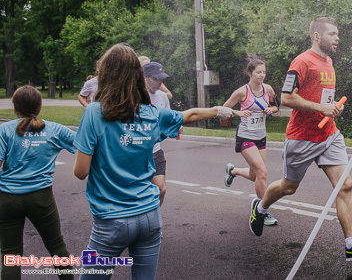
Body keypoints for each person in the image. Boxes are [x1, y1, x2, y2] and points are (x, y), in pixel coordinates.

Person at [73, 43, 233, 279]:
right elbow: (188, 115)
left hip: (111, 220)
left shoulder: (94, 112)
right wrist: (218, 110)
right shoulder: (151, 114)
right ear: (138, 76)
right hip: (149, 217)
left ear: (106, 74)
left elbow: (80, 171)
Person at [248, 17, 352, 262]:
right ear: (317, 37)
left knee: (345, 185)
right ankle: (261, 207)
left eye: (337, 33)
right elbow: (286, 98)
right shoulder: (301, 61)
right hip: (302, 138)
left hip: (329, 133)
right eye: (332, 34)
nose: (337, 38)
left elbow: (324, 101)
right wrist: (320, 106)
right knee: (289, 187)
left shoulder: (329, 61)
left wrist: (330, 108)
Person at [0, 85, 77, 279]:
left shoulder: (4, 130)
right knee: (57, 247)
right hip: (41, 198)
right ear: (39, 106)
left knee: (10, 255)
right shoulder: (55, 129)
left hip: (7, 198)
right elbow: (84, 147)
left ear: (15, 108)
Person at [223, 55, 279, 226]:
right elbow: (223, 109)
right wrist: (238, 113)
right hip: (245, 136)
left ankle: (233, 171)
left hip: (260, 136)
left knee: (256, 175)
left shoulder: (267, 89)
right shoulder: (242, 92)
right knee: (262, 172)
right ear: (249, 73)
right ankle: (262, 211)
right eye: (258, 72)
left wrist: (271, 110)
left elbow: (276, 106)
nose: (262, 75)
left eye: (264, 72)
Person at [143, 61, 172, 206]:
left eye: (162, 78)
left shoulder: (163, 97)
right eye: (156, 78)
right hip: (138, 153)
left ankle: (153, 217)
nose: (160, 82)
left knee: (161, 189)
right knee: (140, 191)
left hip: (156, 151)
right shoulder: (135, 97)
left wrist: (174, 128)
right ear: (145, 78)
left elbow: (169, 120)